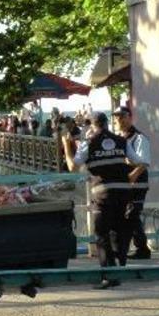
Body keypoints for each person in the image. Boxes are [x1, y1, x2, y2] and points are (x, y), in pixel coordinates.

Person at [62, 112, 145, 289]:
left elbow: (72, 168)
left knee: (101, 234)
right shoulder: (122, 141)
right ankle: (120, 268)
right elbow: (141, 162)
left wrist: (66, 146)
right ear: (107, 123)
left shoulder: (88, 143)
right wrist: (128, 177)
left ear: (92, 126)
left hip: (102, 193)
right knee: (119, 230)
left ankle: (109, 275)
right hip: (123, 192)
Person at [113, 106, 152, 259]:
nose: (118, 119)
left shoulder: (139, 138)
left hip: (137, 183)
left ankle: (139, 249)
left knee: (132, 215)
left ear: (129, 117)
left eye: (122, 116)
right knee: (127, 215)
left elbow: (144, 163)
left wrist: (132, 177)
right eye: (116, 116)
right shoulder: (117, 137)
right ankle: (139, 248)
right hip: (123, 184)